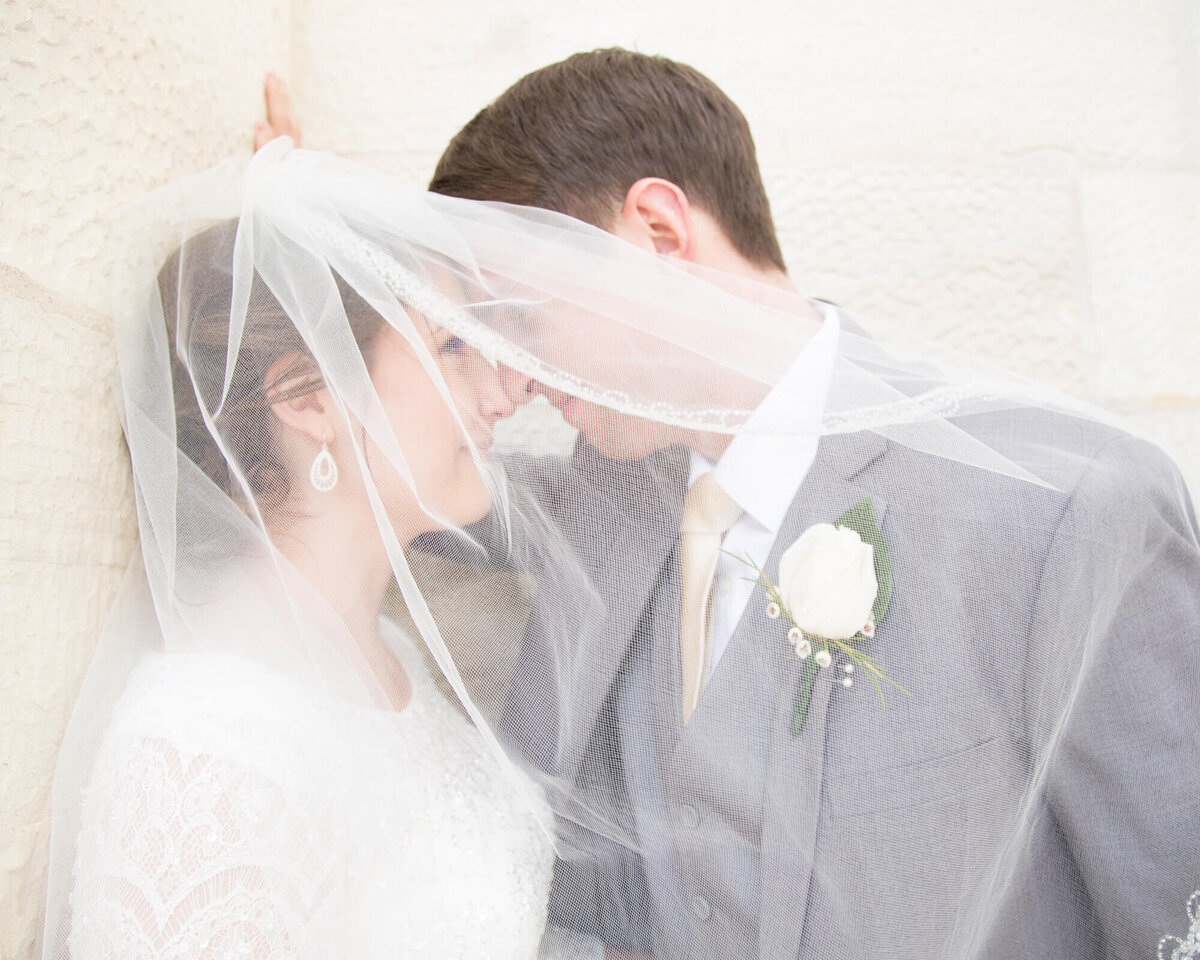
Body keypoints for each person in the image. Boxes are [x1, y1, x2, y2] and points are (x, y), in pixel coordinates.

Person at [254, 50, 1200, 960]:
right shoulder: (603, 492)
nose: (515, 373)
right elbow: (397, 474)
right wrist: (298, 262)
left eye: (520, 311)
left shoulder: (1069, 513)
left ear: (659, 231)